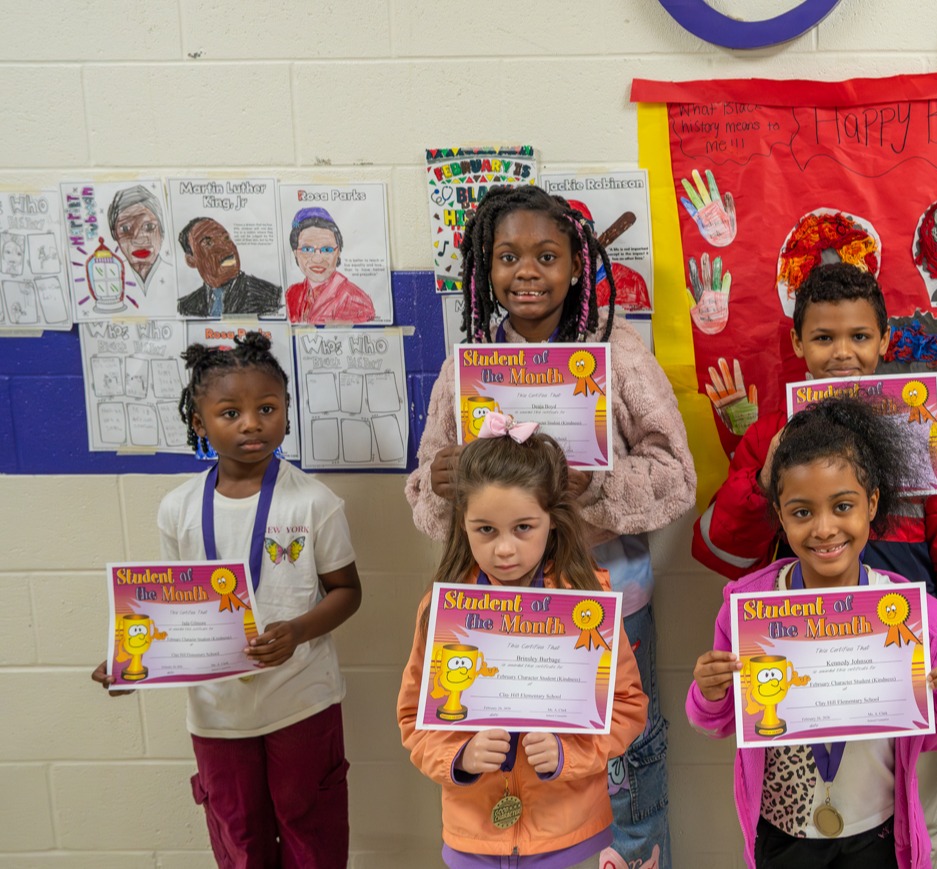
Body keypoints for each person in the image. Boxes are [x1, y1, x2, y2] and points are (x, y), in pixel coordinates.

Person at [407, 184, 697, 866]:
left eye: (546, 255)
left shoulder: (618, 354)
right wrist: (442, 484)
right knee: (518, 766)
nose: (527, 271)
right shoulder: (467, 366)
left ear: (577, 266)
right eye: (508, 256)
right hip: (491, 615)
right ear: (486, 270)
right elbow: (423, 492)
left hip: (608, 606)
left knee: (623, 762)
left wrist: (594, 485)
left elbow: (677, 476)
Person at [691, 262, 937, 857]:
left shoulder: (926, 433)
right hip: (804, 669)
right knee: (809, 813)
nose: (843, 353)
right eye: (824, 337)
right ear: (797, 343)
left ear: (884, 341)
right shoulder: (773, 436)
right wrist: (759, 474)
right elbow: (719, 551)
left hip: (901, 665)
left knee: (916, 819)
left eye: (860, 337)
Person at [92, 333, 362, 867]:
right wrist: (133, 664)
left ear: (286, 411)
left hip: (302, 699)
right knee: (241, 840)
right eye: (230, 412)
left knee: (313, 832)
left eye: (267, 408)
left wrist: (299, 632)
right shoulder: (178, 509)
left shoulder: (315, 502)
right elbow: (172, 611)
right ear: (199, 423)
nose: (251, 424)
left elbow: (348, 591)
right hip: (217, 713)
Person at [688, 398, 937, 868]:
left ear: (871, 505)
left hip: (880, 832)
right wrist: (708, 691)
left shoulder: (910, 614)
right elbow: (719, 720)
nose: (825, 529)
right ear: (780, 517)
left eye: (842, 506)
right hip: (784, 831)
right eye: (802, 512)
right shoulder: (749, 609)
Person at [397, 422, 647, 867]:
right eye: (486, 530)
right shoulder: (440, 609)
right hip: (473, 839)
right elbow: (414, 719)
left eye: (523, 527)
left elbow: (627, 707)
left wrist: (568, 754)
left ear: (552, 521)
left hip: (570, 836)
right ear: (463, 525)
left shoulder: (586, 605)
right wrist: (460, 757)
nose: (505, 549)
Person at [284, 208, 377, 324]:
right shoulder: (292, 294)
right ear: (295, 253)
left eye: (326, 249)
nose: (318, 259)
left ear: (338, 252)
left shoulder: (355, 300)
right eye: (307, 249)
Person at [176, 217, 282, 318]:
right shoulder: (184, 307)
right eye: (208, 243)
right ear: (191, 261)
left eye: (226, 238)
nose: (225, 247)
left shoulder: (271, 297)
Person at [107, 185, 170, 297]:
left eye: (149, 227)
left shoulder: (174, 275)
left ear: (162, 231)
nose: (139, 240)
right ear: (114, 234)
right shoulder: (110, 279)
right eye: (125, 229)